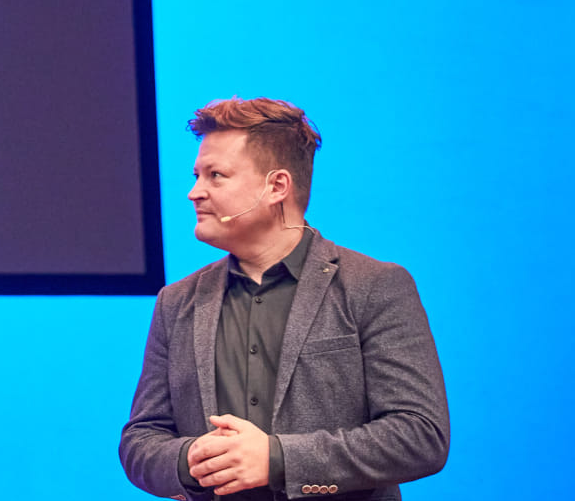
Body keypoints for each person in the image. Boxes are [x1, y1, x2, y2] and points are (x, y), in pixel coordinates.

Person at [120, 97, 449, 500]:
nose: (194, 193)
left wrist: (277, 459)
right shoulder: (178, 302)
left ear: (276, 187)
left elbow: (419, 434)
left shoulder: (374, 286)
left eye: (215, 176)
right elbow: (142, 439)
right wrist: (189, 459)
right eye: (196, 175)